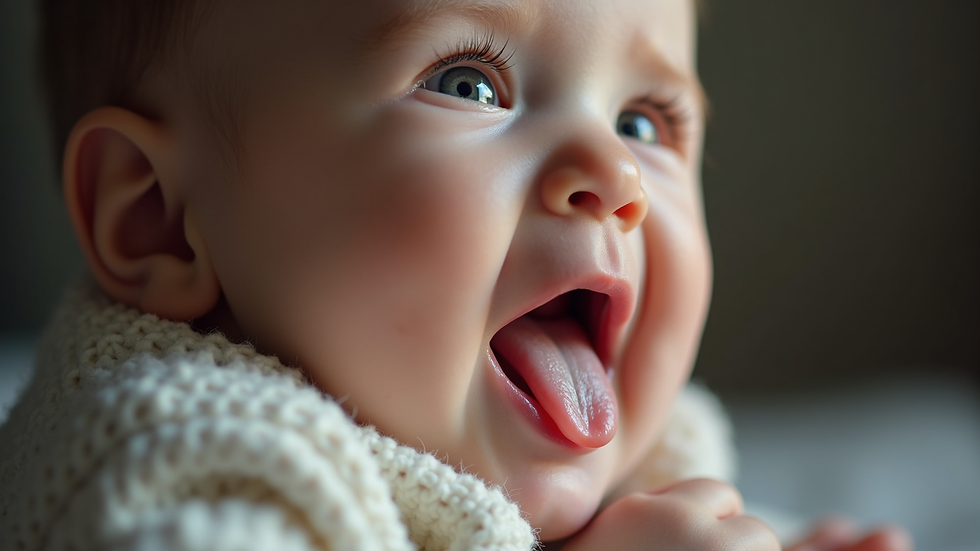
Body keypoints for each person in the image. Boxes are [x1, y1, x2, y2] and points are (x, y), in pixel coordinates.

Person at [0, 0, 913, 549]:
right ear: (157, 218)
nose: (614, 172)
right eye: (470, 83)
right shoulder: (175, 457)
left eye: (644, 120)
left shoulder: (644, 458)